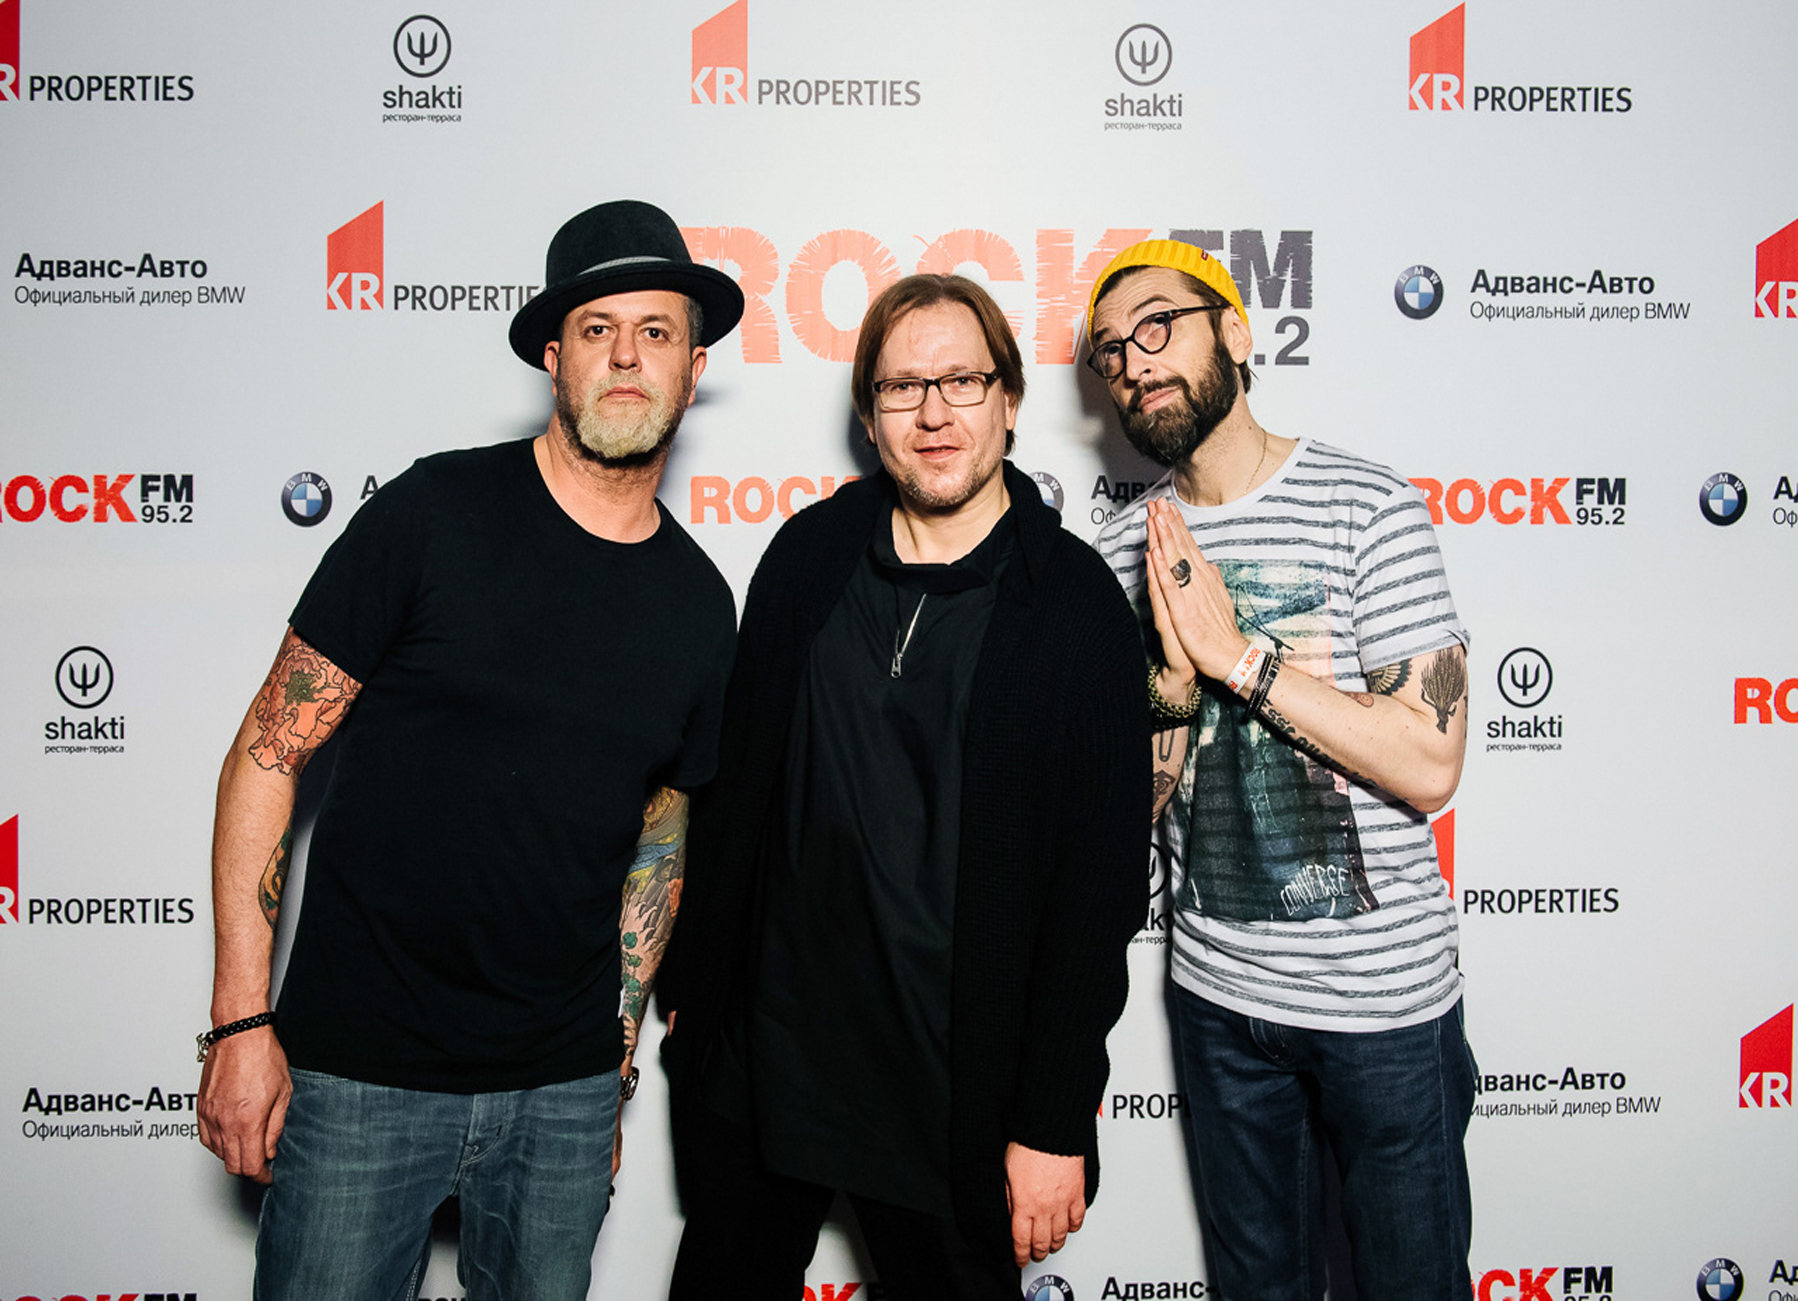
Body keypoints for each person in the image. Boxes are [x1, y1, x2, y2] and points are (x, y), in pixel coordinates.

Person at [194, 199, 743, 1301]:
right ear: (552, 356)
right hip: (362, 1071)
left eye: (656, 331)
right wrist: (241, 1020)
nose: (625, 356)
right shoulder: (431, 513)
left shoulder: (699, 602)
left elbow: (660, 842)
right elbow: (268, 750)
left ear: (692, 369)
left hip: (561, 1093)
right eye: (595, 329)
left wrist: (612, 1067)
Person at [660, 274, 1147, 1299]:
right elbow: (735, 790)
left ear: (1008, 400)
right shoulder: (809, 557)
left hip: (951, 1089)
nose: (934, 413)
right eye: (901, 387)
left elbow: (1098, 889)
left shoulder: (1073, 607)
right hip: (772, 1066)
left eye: (962, 380)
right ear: (869, 414)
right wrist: (695, 994)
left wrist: (1054, 1118)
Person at [1087, 240, 1475, 1301]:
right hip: (1218, 1003)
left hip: (1383, 1011)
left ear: (1236, 331)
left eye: (1158, 324)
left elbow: (1431, 760)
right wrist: (1174, 687)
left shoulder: (1368, 505)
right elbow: (1131, 809)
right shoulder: (1122, 546)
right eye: (1111, 350)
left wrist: (1238, 660)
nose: (1134, 361)